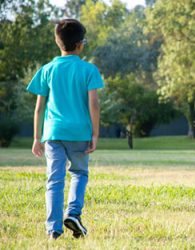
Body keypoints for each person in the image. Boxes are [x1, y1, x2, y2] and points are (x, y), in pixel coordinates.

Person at [27, 19, 104, 239]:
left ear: (57, 41)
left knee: (55, 180)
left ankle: (53, 229)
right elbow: (94, 104)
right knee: (79, 173)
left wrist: (36, 137)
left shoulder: (47, 70)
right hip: (79, 133)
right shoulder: (89, 69)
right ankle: (73, 213)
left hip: (53, 133)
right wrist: (95, 134)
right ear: (80, 45)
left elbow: (39, 107)